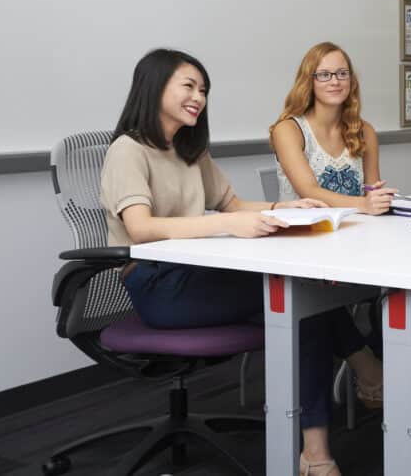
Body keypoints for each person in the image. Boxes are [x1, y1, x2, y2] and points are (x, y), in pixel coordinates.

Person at [100, 49, 345, 476]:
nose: (199, 97)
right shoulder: (128, 149)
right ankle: (318, 450)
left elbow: (231, 203)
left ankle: (314, 449)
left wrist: (285, 205)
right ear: (154, 87)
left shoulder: (190, 150)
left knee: (307, 301)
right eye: (189, 86)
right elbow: (139, 228)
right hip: (160, 287)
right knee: (302, 303)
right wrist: (227, 224)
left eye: (204, 90)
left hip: (198, 274)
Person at [269, 41, 411, 410]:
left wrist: (379, 197)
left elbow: (371, 187)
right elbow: (308, 190)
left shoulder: (364, 131)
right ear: (308, 81)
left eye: (342, 73)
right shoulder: (288, 129)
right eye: (325, 74)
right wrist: (364, 203)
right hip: (303, 245)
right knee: (315, 296)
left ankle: (384, 373)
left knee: (398, 282)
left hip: (356, 241)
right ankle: (371, 372)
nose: (335, 81)